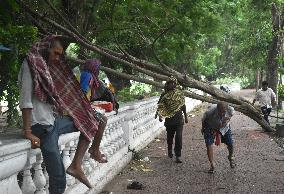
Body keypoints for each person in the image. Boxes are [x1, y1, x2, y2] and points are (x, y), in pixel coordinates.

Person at [18, 35, 107, 193]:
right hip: (40, 127)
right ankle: (73, 168)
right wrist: (28, 132)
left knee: (94, 119)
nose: (58, 57)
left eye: (60, 54)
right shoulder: (30, 63)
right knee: (59, 178)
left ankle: (77, 165)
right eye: (56, 53)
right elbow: (26, 100)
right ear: (46, 49)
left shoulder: (47, 66)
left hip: (52, 121)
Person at [156, 76, 188, 163]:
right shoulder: (164, 95)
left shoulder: (179, 93)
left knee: (179, 137)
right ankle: (169, 150)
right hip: (169, 120)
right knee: (170, 138)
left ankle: (178, 155)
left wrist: (185, 116)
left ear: (175, 84)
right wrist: (160, 116)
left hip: (179, 120)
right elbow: (160, 106)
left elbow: (183, 105)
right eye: (170, 83)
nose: (172, 85)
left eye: (173, 83)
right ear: (167, 84)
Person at [201, 102, 235, 174]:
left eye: (224, 112)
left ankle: (230, 157)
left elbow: (230, 117)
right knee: (208, 144)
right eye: (220, 111)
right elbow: (203, 119)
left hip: (224, 128)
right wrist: (202, 128)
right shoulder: (210, 112)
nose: (222, 113)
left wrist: (226, 121)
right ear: (217, 109)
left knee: (230, 144)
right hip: (210, 126)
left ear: (227, 109)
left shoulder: (230, 110)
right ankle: (212, 164)